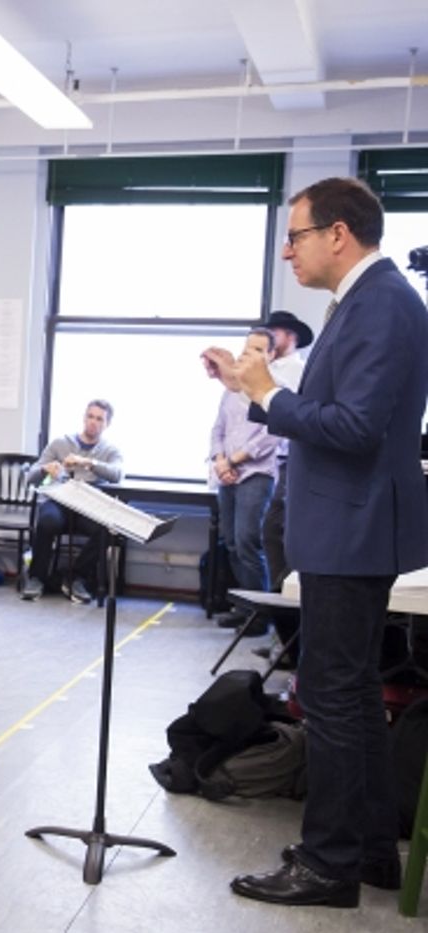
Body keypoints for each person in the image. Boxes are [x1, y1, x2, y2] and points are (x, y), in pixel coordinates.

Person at [209, 177, 428, 909]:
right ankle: (367, 851)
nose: (287, 250)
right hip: (352, 524)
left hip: (351, 526)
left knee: (330, 697)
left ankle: (327, 862)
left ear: (339, 233)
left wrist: (268, 393)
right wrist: (255, 389)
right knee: (355, 693)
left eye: (296, 234)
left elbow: (355, 428)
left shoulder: (383, 303)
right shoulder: (368, 301)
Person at [207, 327, 280, 621]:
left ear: (271, 355)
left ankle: (260, 617)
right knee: (232, 543)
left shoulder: (276, 387)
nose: (251, 355)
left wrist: (233, 462)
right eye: (248, 349)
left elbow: (270, 435)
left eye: (259, 350)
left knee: (248, 541)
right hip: (228, 475)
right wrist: (220, 460)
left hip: (256, 474)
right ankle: (245, 608)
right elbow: (218, 429)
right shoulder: (231, 389)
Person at [20, 400, 124, 604]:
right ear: (84, 418)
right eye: (90, 416)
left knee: (106, 528)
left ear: (107, 424)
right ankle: (36, 577)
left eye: (99, 419)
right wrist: (44, 469)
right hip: (59, 501)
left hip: (87, 506)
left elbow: (117, 473)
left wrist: (89, 463)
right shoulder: (61, 443)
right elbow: (30, 477)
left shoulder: (110, 450)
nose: (93, 422)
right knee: (47, 520)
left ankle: (76, 576)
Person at [260, 310, 313, 591]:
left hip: (289, 457)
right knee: (271, 534)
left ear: (291, 336)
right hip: (281, 463)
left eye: (275, 332)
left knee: (281, 534)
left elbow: (284, 415)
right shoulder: (267, 367)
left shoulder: (298, 371)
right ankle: (280, 607)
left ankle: (286, 606)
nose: (269, 337)